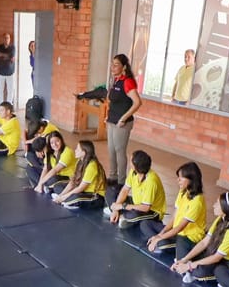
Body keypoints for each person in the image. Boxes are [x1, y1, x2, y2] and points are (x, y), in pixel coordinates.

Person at [172, 192, 229, 284]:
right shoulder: (220, 219)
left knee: (199, 272)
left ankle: (199, 274)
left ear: (225, 207)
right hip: (214, 252)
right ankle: (188, 270)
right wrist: (184, 259)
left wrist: (189, 266)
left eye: (217, 203)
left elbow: (217, 257)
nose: (213, 205)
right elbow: (204, 242)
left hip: (227, 261)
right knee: (185, 248)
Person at [143, 162, 207, 260]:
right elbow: (174, 218)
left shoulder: (197, 201)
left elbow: (179, 228)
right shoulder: (183, 192)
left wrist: (159, 238)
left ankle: (165, 245)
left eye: (181, 178)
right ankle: (159, 243)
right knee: (145, 224)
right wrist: (160, 234)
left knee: (162, 243)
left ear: (191, 179)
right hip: (176, 232)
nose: (178, 180)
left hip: (188, 238)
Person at [105, 54, 142, 186]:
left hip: (122, 122)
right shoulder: (116, 80)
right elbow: (112, 101)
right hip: (112, 120)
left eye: (116, 64)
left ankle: (121, 181)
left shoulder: (127, 81)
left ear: (124, 66)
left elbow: (137, 102)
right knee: (111, 150)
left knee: (119, 150)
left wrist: (123, 118)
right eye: (112, 64)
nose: (113, 67)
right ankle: (112, 176)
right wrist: (108, 116)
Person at [105, 150, 166, 229]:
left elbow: (145, 207)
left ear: (136, 166)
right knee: (110, 192)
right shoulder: (133, 172)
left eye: (131, 161)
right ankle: (118, 213)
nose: (130, 163)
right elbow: (125, 190)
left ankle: (124, 217)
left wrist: (122, 206)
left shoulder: (151, 181)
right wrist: (116, 209)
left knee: (132, 215)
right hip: (136, 203)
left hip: (152, 211)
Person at [52, 140, 106, 210]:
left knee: (74, 198)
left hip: (95, 196)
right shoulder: (80, 161)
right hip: (83, 191)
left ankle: (69, 201)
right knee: (57, 186)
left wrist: (63, 198)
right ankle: (68, 200)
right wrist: (61, 195)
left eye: (77, 149)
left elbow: (81, 188)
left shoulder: (92, 166)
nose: (75, 150)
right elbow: (73, 182)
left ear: (84, 152)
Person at [0, 33, 16, 106]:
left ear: (10, 39)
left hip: (10, 72)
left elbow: (12, 57)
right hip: (0, 72)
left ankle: (9, 106)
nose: (6, 39)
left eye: (8, 38)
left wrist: (2, 54)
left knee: (10, 90)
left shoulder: (12, 47)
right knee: (0, 90)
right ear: (3, 39)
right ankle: (0, 106)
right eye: (5, 38)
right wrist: (8, 55)